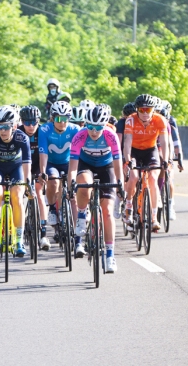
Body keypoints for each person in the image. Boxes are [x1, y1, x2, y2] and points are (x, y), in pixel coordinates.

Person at [68, 106, 123, 273]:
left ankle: (109, 255)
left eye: (98, 127)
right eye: (90, 126)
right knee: (83, 185)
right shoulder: (80, 136)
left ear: (105, 125)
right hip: (86, 166)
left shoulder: (110, 136)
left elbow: (117, 163)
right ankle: (82, 216)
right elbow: (72, 167)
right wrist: (71, 184)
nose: (93, 131)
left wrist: (120, 183)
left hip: (107, 168)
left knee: (107, 212)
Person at [0, 106, 32, 257]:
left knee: (17, 198)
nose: (2, 130)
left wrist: (28, 182)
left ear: (14, 126)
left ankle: (19, 240)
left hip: (16, 168)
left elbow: (26, 164)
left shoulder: (22, 138)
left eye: (6, 127)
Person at [122, 94, 169, 232]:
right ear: (137, 110)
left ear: (153, 110)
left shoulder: (160, 120)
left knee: (153, 178)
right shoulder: (131, 119)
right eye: (141, 110)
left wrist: (165, 160)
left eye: (148, 110)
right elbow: (127, 142)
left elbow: (165, 142)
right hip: (135, 151)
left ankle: (154, 217)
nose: (144, 113)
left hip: (151, 150)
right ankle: (129, 205)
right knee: (134, 177)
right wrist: (128, 160)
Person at [38, 101, 80, 247]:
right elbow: (42, 152)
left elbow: (78, 153)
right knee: (54, 181)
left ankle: (75, 231)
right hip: (51, 163)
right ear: (52, 118)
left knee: (71, 192)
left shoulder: (75, 129)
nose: (62, 122)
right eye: (58, 119)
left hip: (69, 163)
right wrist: (43, 171)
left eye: (65, 118)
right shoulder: (44, 129)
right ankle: (52, 208)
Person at [18, 105, 50, 250]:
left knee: (38, 193)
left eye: (34, 122)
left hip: (37, 165)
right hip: (20, 165)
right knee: (17, 194)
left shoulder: (42, 131)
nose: (31, 126)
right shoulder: (17, 132)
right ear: (22, 121)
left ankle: (43, 233)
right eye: (27, 122)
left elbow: (44, 153)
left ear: (38, 121)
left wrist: (42, 172)